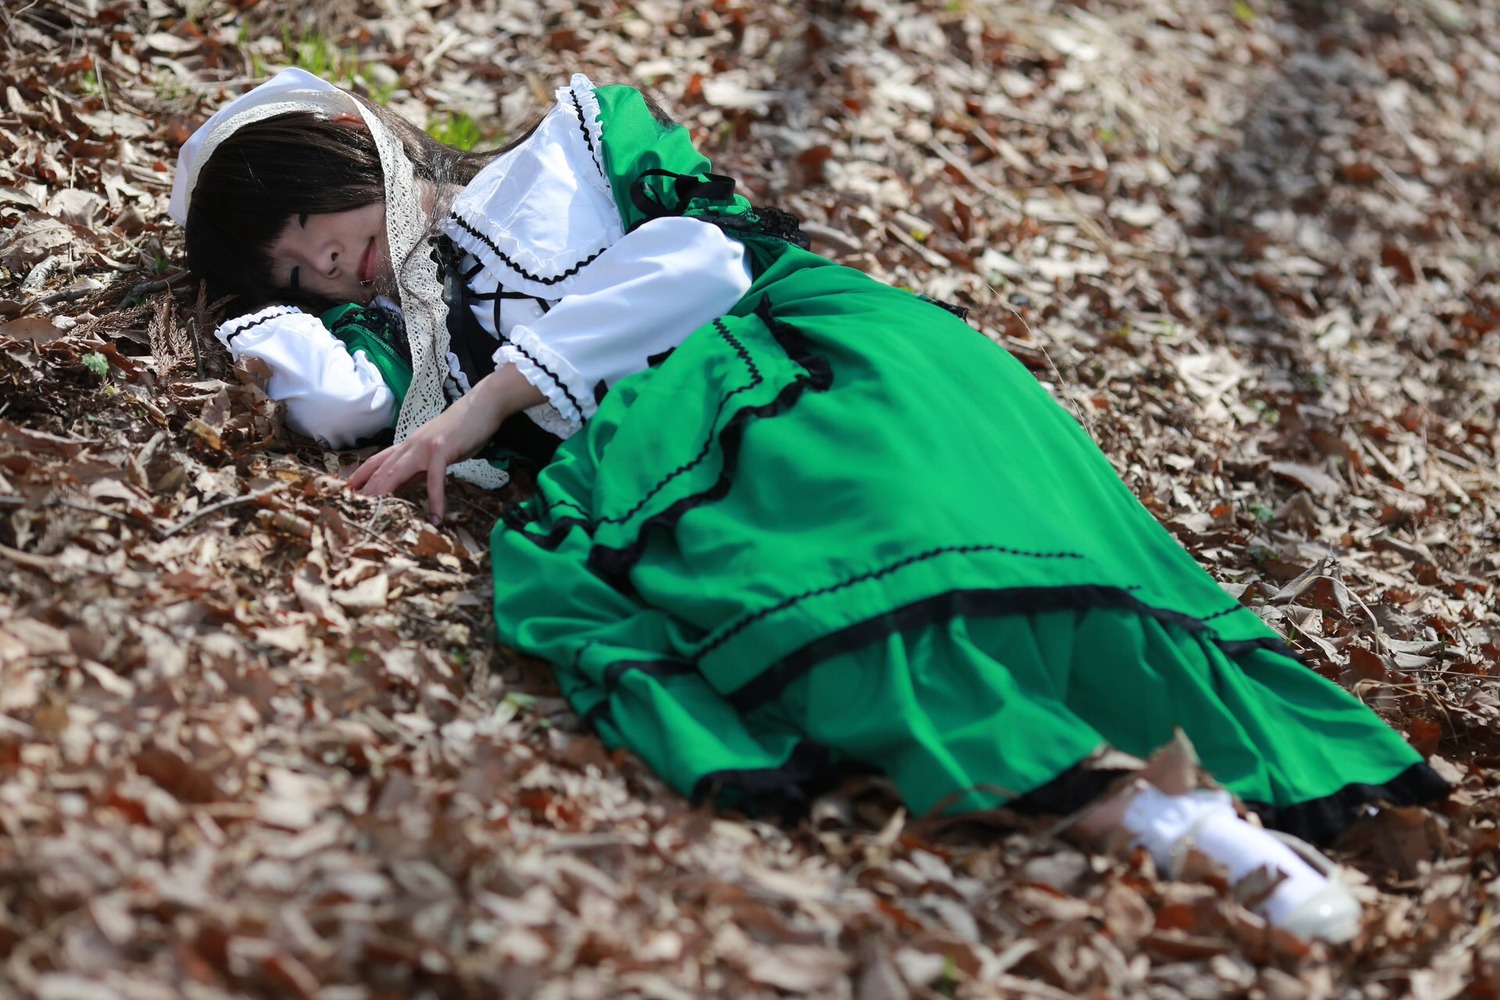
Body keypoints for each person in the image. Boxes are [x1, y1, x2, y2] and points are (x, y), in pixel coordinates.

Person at [170, 68, 1450, 944]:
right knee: (801, 588)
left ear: (349, 149)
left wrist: (491, 403)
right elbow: (331, 402)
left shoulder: (571, 146)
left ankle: (1202, 779)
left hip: (806, 353)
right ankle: (1152, 812)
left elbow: (701, 260)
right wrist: (261, 313)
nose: (328, 262)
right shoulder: (404, 341)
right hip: (653, 455)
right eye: (296, 264)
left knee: (939, 520)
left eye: (307, 221)